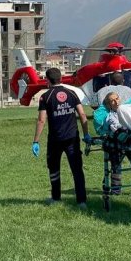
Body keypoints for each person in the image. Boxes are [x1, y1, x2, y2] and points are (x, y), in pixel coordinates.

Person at [32, 68, 93, 209]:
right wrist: (86, 134)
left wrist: (36, 141)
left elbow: (41, 120)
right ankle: (82, 201)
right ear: (61, 78)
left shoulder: (45, 96)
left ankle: (56, 198)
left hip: (55, 139)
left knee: (54, 168)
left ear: (47, 80)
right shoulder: (72, 93)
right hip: (72, 138)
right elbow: (82, 115)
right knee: (77, 169)